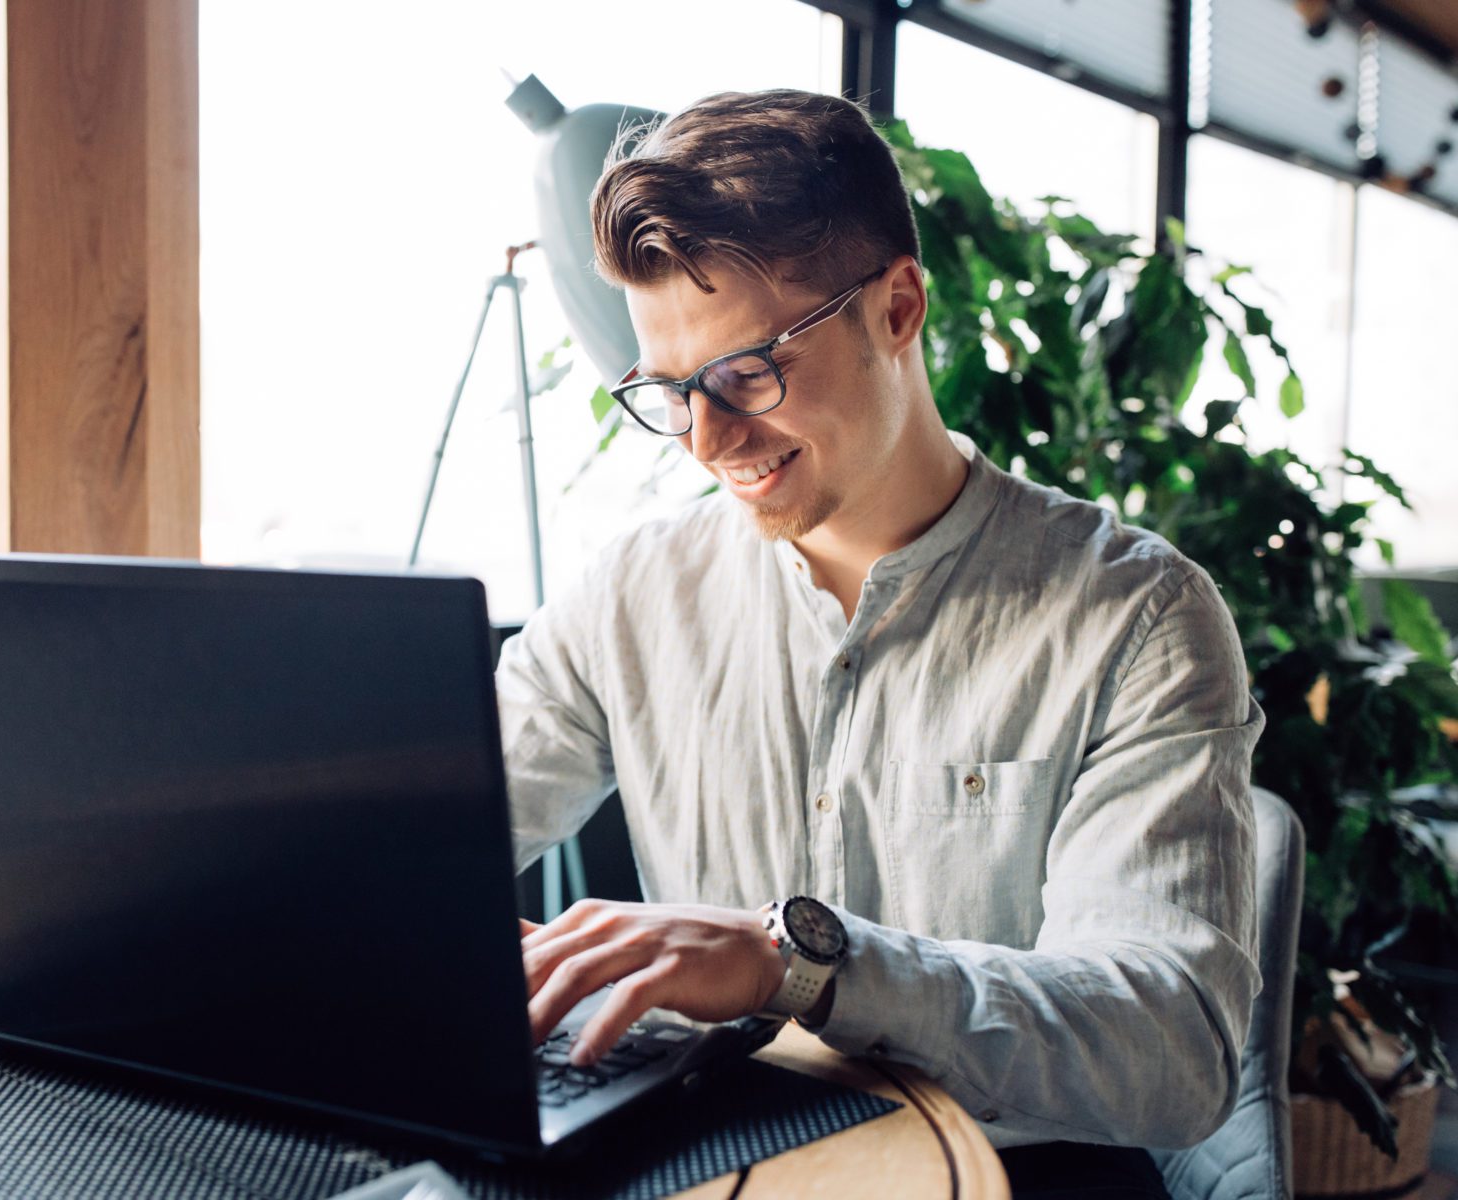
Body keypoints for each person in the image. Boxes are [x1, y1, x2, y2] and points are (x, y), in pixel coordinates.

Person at [496, 89, 1260, 1196]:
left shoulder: (1136, 619)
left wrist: (795, 965)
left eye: (748, 373)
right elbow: (427, 841)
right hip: (712, 1165)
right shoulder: (632, 592)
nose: (707, 440)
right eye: (669, 391)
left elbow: (1168, 1048)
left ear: (897, 308)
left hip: (1017, 1176)